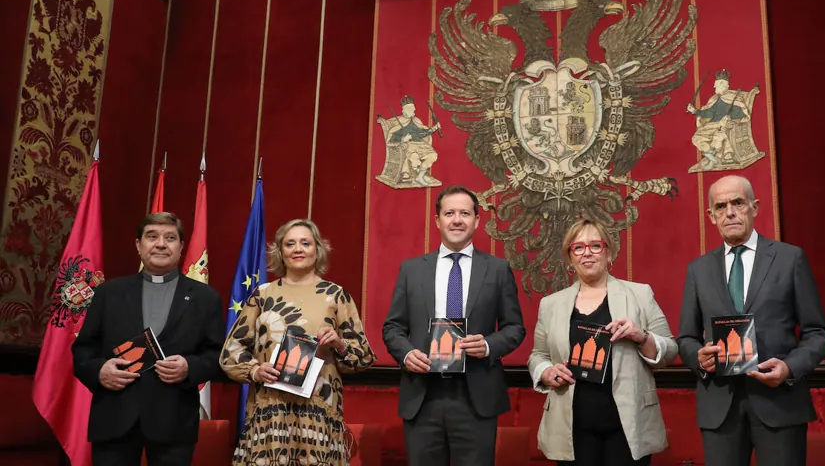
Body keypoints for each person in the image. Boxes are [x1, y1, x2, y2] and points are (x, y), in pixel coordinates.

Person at [677, 175, 825, 466]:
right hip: (720, 409)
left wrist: (789, 368)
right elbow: (685, 338)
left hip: (779, 403)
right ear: (711, 216)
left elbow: (818, 332)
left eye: (738, 203)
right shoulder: (698, 270)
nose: (730, 212)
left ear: (754, 207)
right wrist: (698, 358)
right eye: (720, 207)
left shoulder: (790, 259)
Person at [382, 185, 525, 466]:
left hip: (475, 396)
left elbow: (514, 328)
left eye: (464, 213)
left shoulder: (497, 269)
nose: (457, 219)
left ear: (476, 220)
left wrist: (486, 345)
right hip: (423, 395)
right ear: (438, 220)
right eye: (449, 213)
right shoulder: (412, 269)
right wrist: (407, 354)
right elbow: (392, 328)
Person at [72, 212, 224, 465]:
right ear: (138, 244)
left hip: (173, 422)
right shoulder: (108, 293)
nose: (161, 244)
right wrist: (99, 371)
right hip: (114, 417)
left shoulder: (205, 298)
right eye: (152, 236)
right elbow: (82, 351)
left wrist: (189, 368)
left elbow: (216, 355)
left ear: (181, 247)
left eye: (170, 238)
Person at [220, 219, 375, 465]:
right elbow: (231, 352)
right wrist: (255, 370)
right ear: (280, 252)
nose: (298, 249)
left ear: (318, 250)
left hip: (319, 413)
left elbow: (363, 357)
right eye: (290, 244)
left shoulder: (335, 295)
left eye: (305, 243)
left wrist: (339, 344)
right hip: (270, 412)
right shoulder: (263, 294)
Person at [528, 219, 678, 465]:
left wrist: (642, 336)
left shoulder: (640, 294)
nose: (587, 253)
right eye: (578, 248)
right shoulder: (551, 304)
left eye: (595, 246)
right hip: (572, 425)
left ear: (609, 252)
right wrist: (545, 372)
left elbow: (670, 349)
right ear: (570, 258)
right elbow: (538, 355)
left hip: (628, 425)